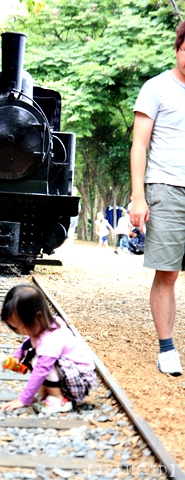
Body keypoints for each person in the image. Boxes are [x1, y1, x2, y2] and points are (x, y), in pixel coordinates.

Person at [130, 21, 185, 377]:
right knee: (167, 273)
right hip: (166, 188)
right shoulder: (157, 88)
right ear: (178, 48)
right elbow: (139, 145)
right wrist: (138, 197)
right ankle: (167, 349)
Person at [0, 284, 96, 414]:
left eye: (21, 327)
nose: (20, 332)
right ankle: (48, 393)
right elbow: (30, 341)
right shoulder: (48, 323)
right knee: (36, 356)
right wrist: (18, 355)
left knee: (40, 362)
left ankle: (59, 399)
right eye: (15, 328)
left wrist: (24, 399)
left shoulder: (50, 341)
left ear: (38, 317)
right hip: (70, 373)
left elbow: (41, 370)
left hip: (80, 379)